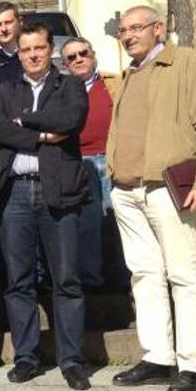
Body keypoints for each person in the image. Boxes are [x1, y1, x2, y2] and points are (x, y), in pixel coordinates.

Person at [107, 5, 196, 391]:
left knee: (185, 275)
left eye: (136, 28)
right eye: (123, 30)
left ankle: (193, 364)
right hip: (127, 190)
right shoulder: (131, 73)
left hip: (167, 187)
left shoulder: (187, 62)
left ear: (159, 28)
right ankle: (158, 356)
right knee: (144, 275)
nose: (128, 36)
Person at [0, 22, 91, 390]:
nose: (32, 55)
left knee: (67, 280)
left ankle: (72, 360)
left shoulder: (70, 85)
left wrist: (25, 122)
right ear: (19, 53)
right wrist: (44, 136)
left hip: (57, 191)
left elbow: (70, 119)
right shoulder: (4, 90)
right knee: (18, 281)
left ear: (50, 50)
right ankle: (27, 357)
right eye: (26, 49)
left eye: (39, 48)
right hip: (14, 193)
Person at [61, 38, 114, 292]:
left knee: (118, 222)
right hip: (80, 162)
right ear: (64, 64)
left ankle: (125, 279)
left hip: (113, 160)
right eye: (71, 57)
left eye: (83, 53)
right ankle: (93, 282)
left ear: (93, 55)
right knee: (88, 226)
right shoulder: (62, 91)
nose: (78, 59)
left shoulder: (115, 84)